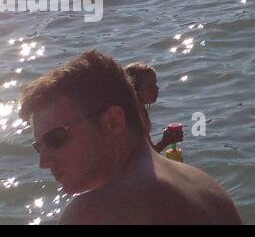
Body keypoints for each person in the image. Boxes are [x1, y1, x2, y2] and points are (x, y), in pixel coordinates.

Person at [19, 50, 241, 224]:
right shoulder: (204, 185)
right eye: (39, 147)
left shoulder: (95, 213)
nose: (43, 162)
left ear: (113, 122)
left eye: (56, 138)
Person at [123, 63, 182, 154]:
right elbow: (144, 156)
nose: (157, 88)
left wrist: (166, 141)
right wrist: (165, 141)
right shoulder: (132, 118)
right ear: (134, 89)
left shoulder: (140, 110)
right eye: (150, 86)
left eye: (155, 83)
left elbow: (147, 152)